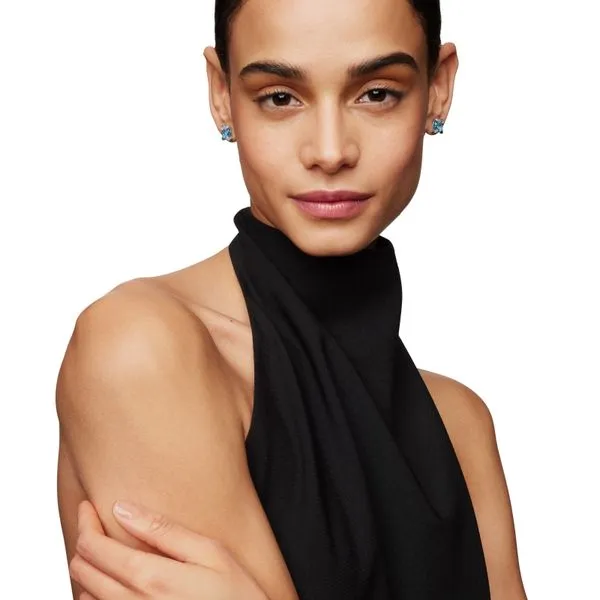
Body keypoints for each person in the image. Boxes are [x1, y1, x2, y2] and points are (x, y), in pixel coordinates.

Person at [56, 0, 528, 598]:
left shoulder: (460, 424)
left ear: (438, 88)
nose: (329, 151)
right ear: (222, 93)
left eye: (377, 94)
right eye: (280, 97)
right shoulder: (139, 349)